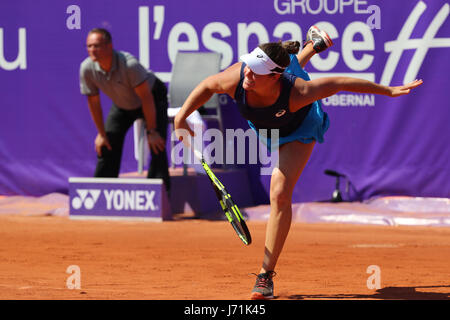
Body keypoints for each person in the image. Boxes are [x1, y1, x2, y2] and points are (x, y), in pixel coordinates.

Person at [174, 26, 423, 300]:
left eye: (255, 70)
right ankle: (310, 47)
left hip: (299, 128)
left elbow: (341, 83)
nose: (247, 72)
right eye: (248, 65)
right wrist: (181, 117)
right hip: (268, 124)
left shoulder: (299, 92)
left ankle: (265, 276)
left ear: (273, 76)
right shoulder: (240, 76)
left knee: (279, 193)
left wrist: (387, 91)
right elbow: (208, 85)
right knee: (285, 71)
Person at [79, 28, 170, 193]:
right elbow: (93, 102)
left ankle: (158, 198)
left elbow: (146, 98)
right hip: (123, 104)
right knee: (106, 143)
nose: (92, 50)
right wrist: (101, 133)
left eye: (97, 46)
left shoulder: (129, 65)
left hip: (152, 98)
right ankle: (101, 194)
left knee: (157, 144)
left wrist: (152, 130)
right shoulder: (86, 69)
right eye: (89, 46)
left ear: (109, 46)